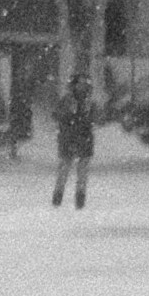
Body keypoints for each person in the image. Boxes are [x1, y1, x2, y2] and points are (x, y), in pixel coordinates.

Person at [50, 74, 95, 210]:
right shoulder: (67, 100)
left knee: (82, 171)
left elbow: (94, 118)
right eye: (80, 84)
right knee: (64, 168)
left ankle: (79, 200)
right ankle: (58, 198)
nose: (83, 87)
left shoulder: (89, 102)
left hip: (83, 138)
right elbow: (57, 115)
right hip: (69, 138)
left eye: (85, 85)